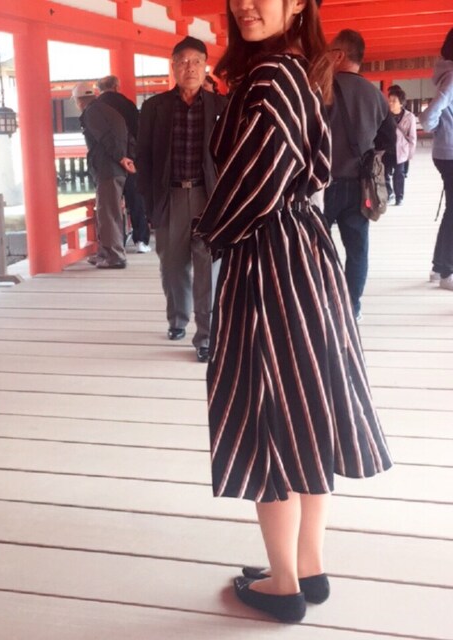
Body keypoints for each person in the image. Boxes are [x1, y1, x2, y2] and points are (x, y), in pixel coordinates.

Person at [193, 0, 392, 624]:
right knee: (308, 404)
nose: (245, 4)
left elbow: (255, 180)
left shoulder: (271, 72)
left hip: (267, 259)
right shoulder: (300, 68)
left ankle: (283, 584)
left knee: (269, 415)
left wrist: (209, 232)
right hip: (303, 252)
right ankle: (308, 565)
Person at [137, 36, 227, 362]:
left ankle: (207, 337)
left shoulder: (221, 107)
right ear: (173, 66)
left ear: (205, 67)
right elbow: (144, 158)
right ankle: (177, 319)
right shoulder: (154, 108)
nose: (190, 68)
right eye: (184, 61)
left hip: (208, 197)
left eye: (197, 62)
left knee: (208, 267)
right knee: (173, 266)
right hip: (170, 196)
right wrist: (150, 205)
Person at [323, 29, 396, 321]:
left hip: (322, 187)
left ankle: (324, 302)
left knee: (318, 248)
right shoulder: (376, 96)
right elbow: (389, 140)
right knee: (357, 250)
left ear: (339, 55)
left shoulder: (322, 91)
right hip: (360, 187)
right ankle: (352, 306)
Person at [72, 81, 135, 269]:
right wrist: (126, 157)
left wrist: (121, 158)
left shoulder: (92, 113)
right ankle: (104, 252)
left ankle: (115, 256)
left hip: (108, 168)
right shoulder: (106, 110)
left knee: (108, 213)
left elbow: (106, 138)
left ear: (79, 101)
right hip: (114, 168)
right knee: (109, 211)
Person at [96, 75, 151, 254]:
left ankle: (113, 242)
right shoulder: (127, 104)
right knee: (136, 199)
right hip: (130, 156)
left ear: (99, 89)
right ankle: (141, 240)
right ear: (116, 86)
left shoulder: (96, 107)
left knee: (109, 205)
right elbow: (139, 129)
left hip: (106, 162)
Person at [419, 28, 453, 291]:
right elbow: (428, 117)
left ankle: (439, 267)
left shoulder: (447, 74)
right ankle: (446, 272)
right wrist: (437, 127)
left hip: (445, 152)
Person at [385, 87, 417, 206]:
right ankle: (389, 193)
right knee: (383, 174)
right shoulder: (385, 115)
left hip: (401, 151)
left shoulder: (409, 117)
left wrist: (409, 155)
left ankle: (399, 197)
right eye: (390, 100)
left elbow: (412, 138)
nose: (391, 103)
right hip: (386, 150)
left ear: (401, 103)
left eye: (394, 101)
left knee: (399, 175)